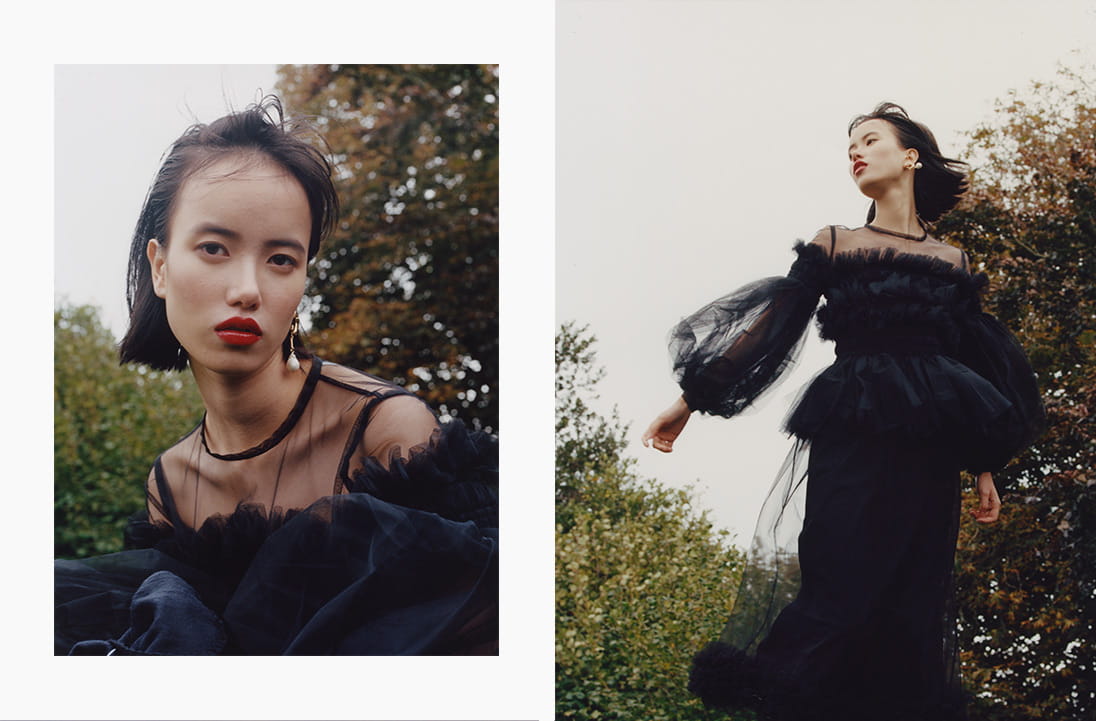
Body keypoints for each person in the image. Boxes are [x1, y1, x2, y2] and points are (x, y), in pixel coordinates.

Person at [642, 103, 1044, 720]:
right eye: (850, 146)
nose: (855, 153)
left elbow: (976, 366)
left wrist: (983, 465)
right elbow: (771, 325)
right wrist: (689, 401)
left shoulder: (953, 262)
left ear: (910, 156)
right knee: (840, 582)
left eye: (869, 140)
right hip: (853, 427)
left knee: (913, 601)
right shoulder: (836, 243)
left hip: (930, 452)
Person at [54, 97, 499, 655]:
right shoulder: (170, 482)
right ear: (160, 266)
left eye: (282, 260)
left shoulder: (385, 430)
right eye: (214, 248)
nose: (248, 289)